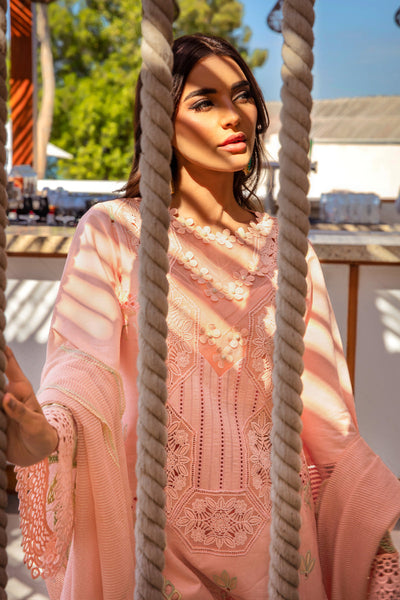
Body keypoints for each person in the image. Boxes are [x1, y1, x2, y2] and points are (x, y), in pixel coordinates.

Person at [3, 33, 400, 600]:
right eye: (204, 101)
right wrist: (45, 435)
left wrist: (378, 551)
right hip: (151, 538)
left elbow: (328, 421)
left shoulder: (287, 250)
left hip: (278, 546)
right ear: (160, 122)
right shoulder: (115, 232)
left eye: (242, 95)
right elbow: (81, 373)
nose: (233, 114)